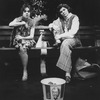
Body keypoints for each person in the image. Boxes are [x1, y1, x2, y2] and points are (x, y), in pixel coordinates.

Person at [49, 3, 81, 83]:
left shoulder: (74, 17)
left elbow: (72, 33)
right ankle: (67, 74)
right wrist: (51, 25)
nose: (63, 12)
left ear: (68, 9)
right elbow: (53, 23)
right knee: (65, 44)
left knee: (65, 43)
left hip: (75, 40)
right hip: (65, 42)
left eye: (64, 10)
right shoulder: (61, 20)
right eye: (61, 11)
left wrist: (59, 36)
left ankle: (66, 71)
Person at [9, 4, 35, 81]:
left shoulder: (31, 21)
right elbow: (10, 24)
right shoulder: (18, 19)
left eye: (28, 11)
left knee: (23, 47)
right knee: (21, 47)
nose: (27, 13)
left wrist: (23, 37)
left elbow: (31, 36)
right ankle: (24, 70)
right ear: (22, 12)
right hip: (18, 41)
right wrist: (22, 23)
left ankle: (24, 70)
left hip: (27, 40)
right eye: (25, 11)